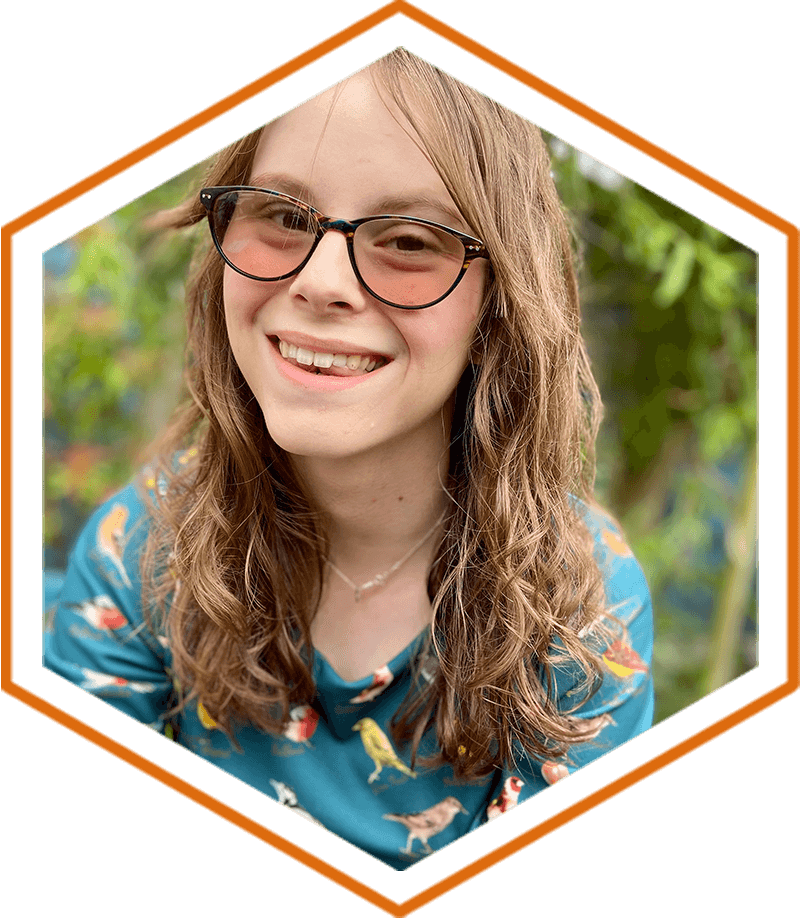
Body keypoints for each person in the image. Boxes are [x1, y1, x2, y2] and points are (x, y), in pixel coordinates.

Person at [42, 48, 654, 869]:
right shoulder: (143, 545)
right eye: (285, 217)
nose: (322, 282)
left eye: (408, 239)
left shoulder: (583, 609)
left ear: (503, 299)